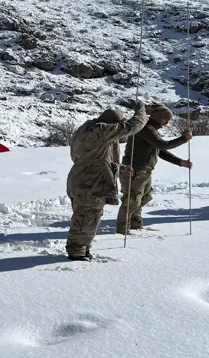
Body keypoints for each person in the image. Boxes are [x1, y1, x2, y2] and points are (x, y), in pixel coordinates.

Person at [66, 103, 147, 261]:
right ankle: (76, 252)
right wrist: (141, 111)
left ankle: (82, 248)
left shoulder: (87, 128)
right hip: (90, 182)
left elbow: (94, 157)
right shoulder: (101, 130)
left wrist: (119, 167)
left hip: (80, 179)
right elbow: (133, 126)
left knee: (87, 217)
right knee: (87, 217)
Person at [117, 104, 192, 234]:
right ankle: (122, 230)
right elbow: (161, 145)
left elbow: (159, 150)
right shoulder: (146, 129)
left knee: (144, 197)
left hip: (144, 171)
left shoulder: (151, 130)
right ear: (159, 118)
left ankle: (135, 224)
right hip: (134, 170)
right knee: (132, 200)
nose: (167, 123)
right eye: (166, 119)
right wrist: (183, 139)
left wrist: (179, 162)